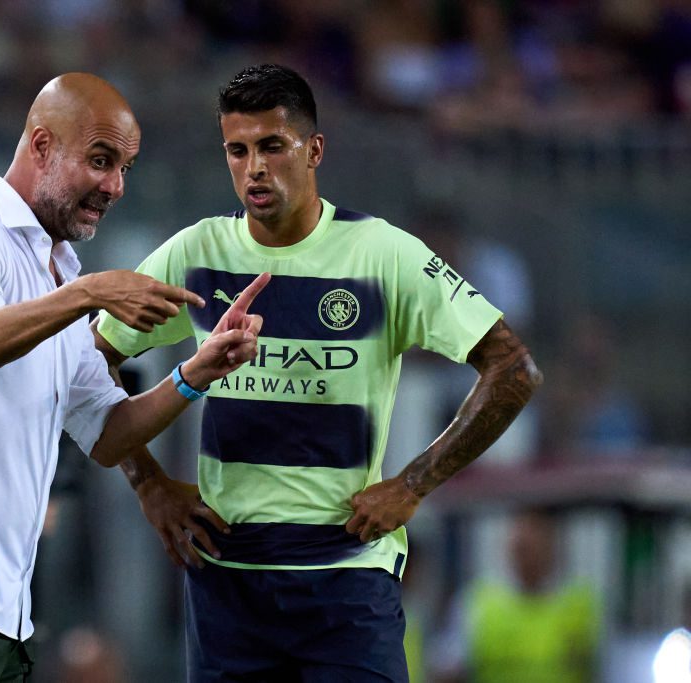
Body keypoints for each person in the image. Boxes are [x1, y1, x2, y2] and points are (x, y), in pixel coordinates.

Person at [92, 64, 543, 682]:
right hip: (229, 586)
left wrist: (412, 484)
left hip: (347, 585)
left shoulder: (382, 253)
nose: (254, 167)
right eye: (238, 149)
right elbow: (93, 359)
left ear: (314, 150)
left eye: (272, 146)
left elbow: (513, 368)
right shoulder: (195, 253)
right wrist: (148, 483)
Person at [0, 72, 269, 682]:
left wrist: (194, 374)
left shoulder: (57, 277)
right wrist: (90, 293)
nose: (115, 186)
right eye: (101, 160)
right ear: (41, 145)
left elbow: (105, 434)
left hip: (0, 611)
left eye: (125, 167)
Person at [429, 509, 601, 683]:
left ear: (553, 546)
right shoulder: (478, 602)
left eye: (536, 542)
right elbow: (447, 668)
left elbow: (610, 667)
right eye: (522, 546)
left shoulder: (583, 605)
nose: (528, 555)